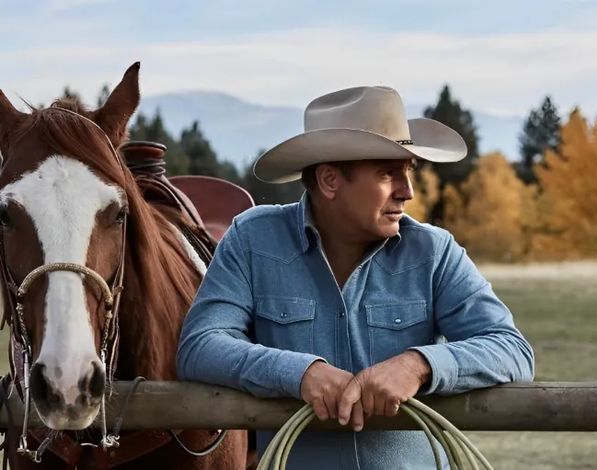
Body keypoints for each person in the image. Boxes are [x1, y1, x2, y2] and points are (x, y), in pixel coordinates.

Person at [176, 85, 534, 469]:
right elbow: (201, 346)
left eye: (408, 172)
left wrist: (416, 366)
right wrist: (300, 373)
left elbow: (511, 349)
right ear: (330, 181)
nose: (407, 191)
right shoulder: (252, 241)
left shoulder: (433, 252)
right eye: (387, 173)